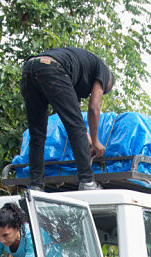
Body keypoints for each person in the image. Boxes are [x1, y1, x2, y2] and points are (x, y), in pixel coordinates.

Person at [21, 47, 114, 191]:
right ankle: (87, 181)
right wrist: (96, 142)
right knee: (73, 127)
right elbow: (93, 108)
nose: (100, 91)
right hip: (52, 68)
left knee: (37, 135)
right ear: (106, 82)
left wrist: (88, 141)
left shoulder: (75, 78)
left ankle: (36, 186)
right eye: (104, 90)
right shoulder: (102, 71)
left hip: (29, 68)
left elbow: (74, 119)